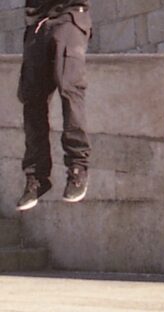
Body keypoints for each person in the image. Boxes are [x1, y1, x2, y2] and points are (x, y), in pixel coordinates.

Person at [16, 0, 92, 211]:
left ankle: (78, 166)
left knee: (69, 86)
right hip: (38, 23)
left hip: (69, 16)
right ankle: (37, 176)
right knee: (31, 99)